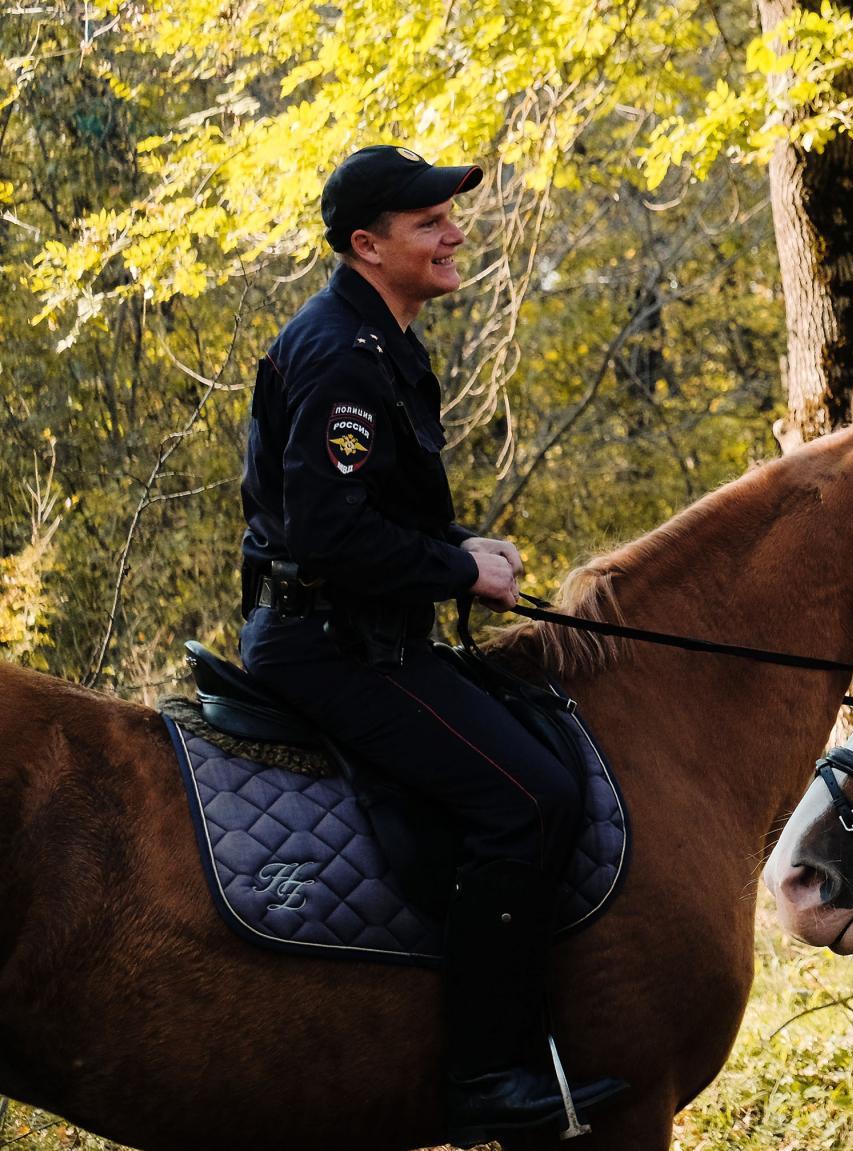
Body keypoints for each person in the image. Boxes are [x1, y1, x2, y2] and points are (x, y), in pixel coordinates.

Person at [237, 145, 623, 1145]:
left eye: (449, 214)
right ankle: (484, 1075)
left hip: (368, 631)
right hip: (333, 648)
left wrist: (455, 546)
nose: (455, 232)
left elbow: (350, 513)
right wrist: (460, 574)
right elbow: (324, 535)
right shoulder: (342, 358)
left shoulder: (381, 344)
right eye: (428, 223)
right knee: (526, 798)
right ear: (368, 245)